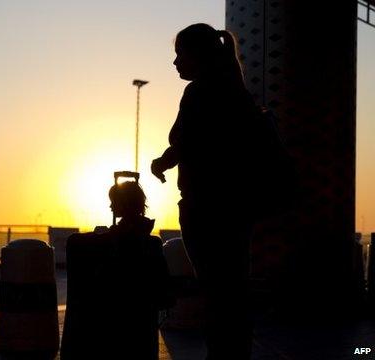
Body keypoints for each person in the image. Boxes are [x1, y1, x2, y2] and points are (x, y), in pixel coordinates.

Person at [151, 23, 262, 359]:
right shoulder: (237, 91)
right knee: (234, 286)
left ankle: (222, 353)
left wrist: (162, 163)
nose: (175, 63)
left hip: (206, 205)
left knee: (215, 288)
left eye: (180, 55)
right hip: (237, 206)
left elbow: (187, 140)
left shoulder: (200, 91)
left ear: (197, 55)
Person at [61, 181, 174, 360]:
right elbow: (164, 293)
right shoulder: (151, 242)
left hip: (120, 325)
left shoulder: (118, 241)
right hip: (143, 328)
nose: (111, 206)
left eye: (114, 201)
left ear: (124, 203)